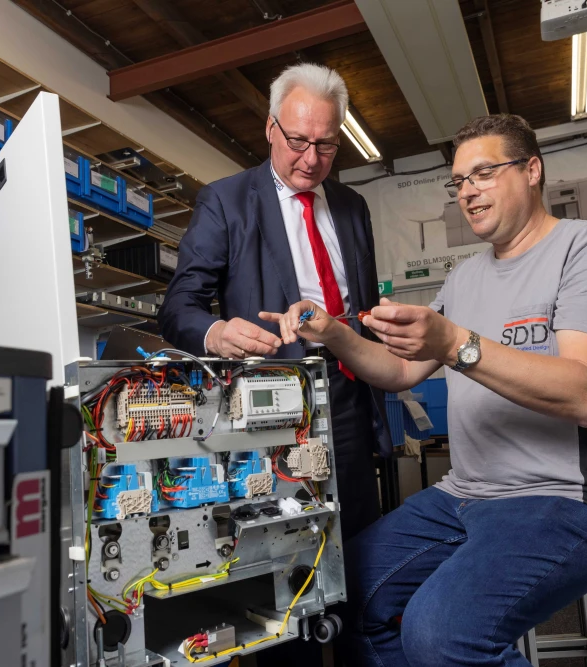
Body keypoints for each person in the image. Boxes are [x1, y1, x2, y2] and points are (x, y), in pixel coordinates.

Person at [261, 114, 587, 667]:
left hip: (575, 497)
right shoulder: (465, 278)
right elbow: (400, 371)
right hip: (468, 494)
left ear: (532, 170)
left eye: (483, 173)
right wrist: (332, 331)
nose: (468, 192)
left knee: (440, 633)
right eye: (459, 181)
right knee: (340, 590)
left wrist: (453, 342)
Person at [158, 62, 388, 542]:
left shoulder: (352, 207)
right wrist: (216, 333)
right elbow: (179, 305)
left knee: (362, 543)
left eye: (325, 145)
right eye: (298, 141)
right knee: (291, 548)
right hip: (271, 406)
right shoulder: (226, 201)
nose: (311, 158)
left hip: (348, 397)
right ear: (270, 128)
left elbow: (362, 304)